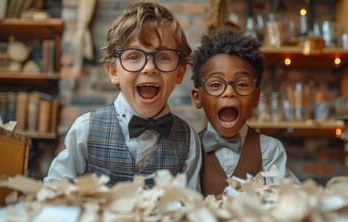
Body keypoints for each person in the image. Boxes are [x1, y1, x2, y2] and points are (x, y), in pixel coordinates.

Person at [44, 1, 202, 190]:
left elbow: (192, 204)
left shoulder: (189, 140)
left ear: (179, 72)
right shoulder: (86, 129)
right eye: (134, 56)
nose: (149, 67)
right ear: (113, 72)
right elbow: (54, 190)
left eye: (164, 57)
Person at [190, 27, 299, 197]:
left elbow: (291, 201)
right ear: (198, 98)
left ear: (256, 97)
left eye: (241, 84)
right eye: (216, 85)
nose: (229, 92)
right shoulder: (191, 148)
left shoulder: (270, 149)